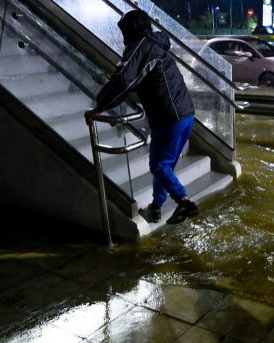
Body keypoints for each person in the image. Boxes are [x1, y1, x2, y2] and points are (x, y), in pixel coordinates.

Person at [85, 9, 198, 225]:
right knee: (165, 166)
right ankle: (156, 207)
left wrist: (99, 106)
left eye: (124, 31)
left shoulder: (141, 46)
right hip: (184, 113)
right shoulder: (156, 43)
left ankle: (184, 202)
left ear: (130, 29)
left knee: (158, 166)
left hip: (169, 116)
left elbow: (124, 80)